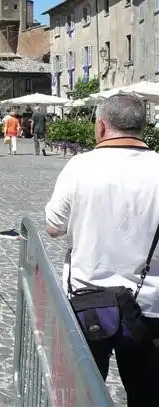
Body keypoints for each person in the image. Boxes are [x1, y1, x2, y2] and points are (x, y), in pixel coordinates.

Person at [45, 94, 159, 405]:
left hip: (89, 300)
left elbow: (53, 227)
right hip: (149, 304)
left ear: (101, 127)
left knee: (83, 391)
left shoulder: (80, 167)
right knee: (148, 392)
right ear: (143, 127)